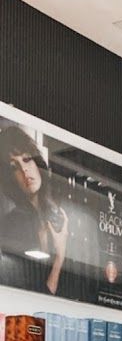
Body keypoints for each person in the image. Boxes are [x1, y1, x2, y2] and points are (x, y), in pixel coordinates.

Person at [0, 125, 68, 295]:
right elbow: (40, 297)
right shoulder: (12, 224)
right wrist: (60, 257)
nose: (24, 170)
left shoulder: (57, 216)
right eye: (14, 167)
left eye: (27, 159)